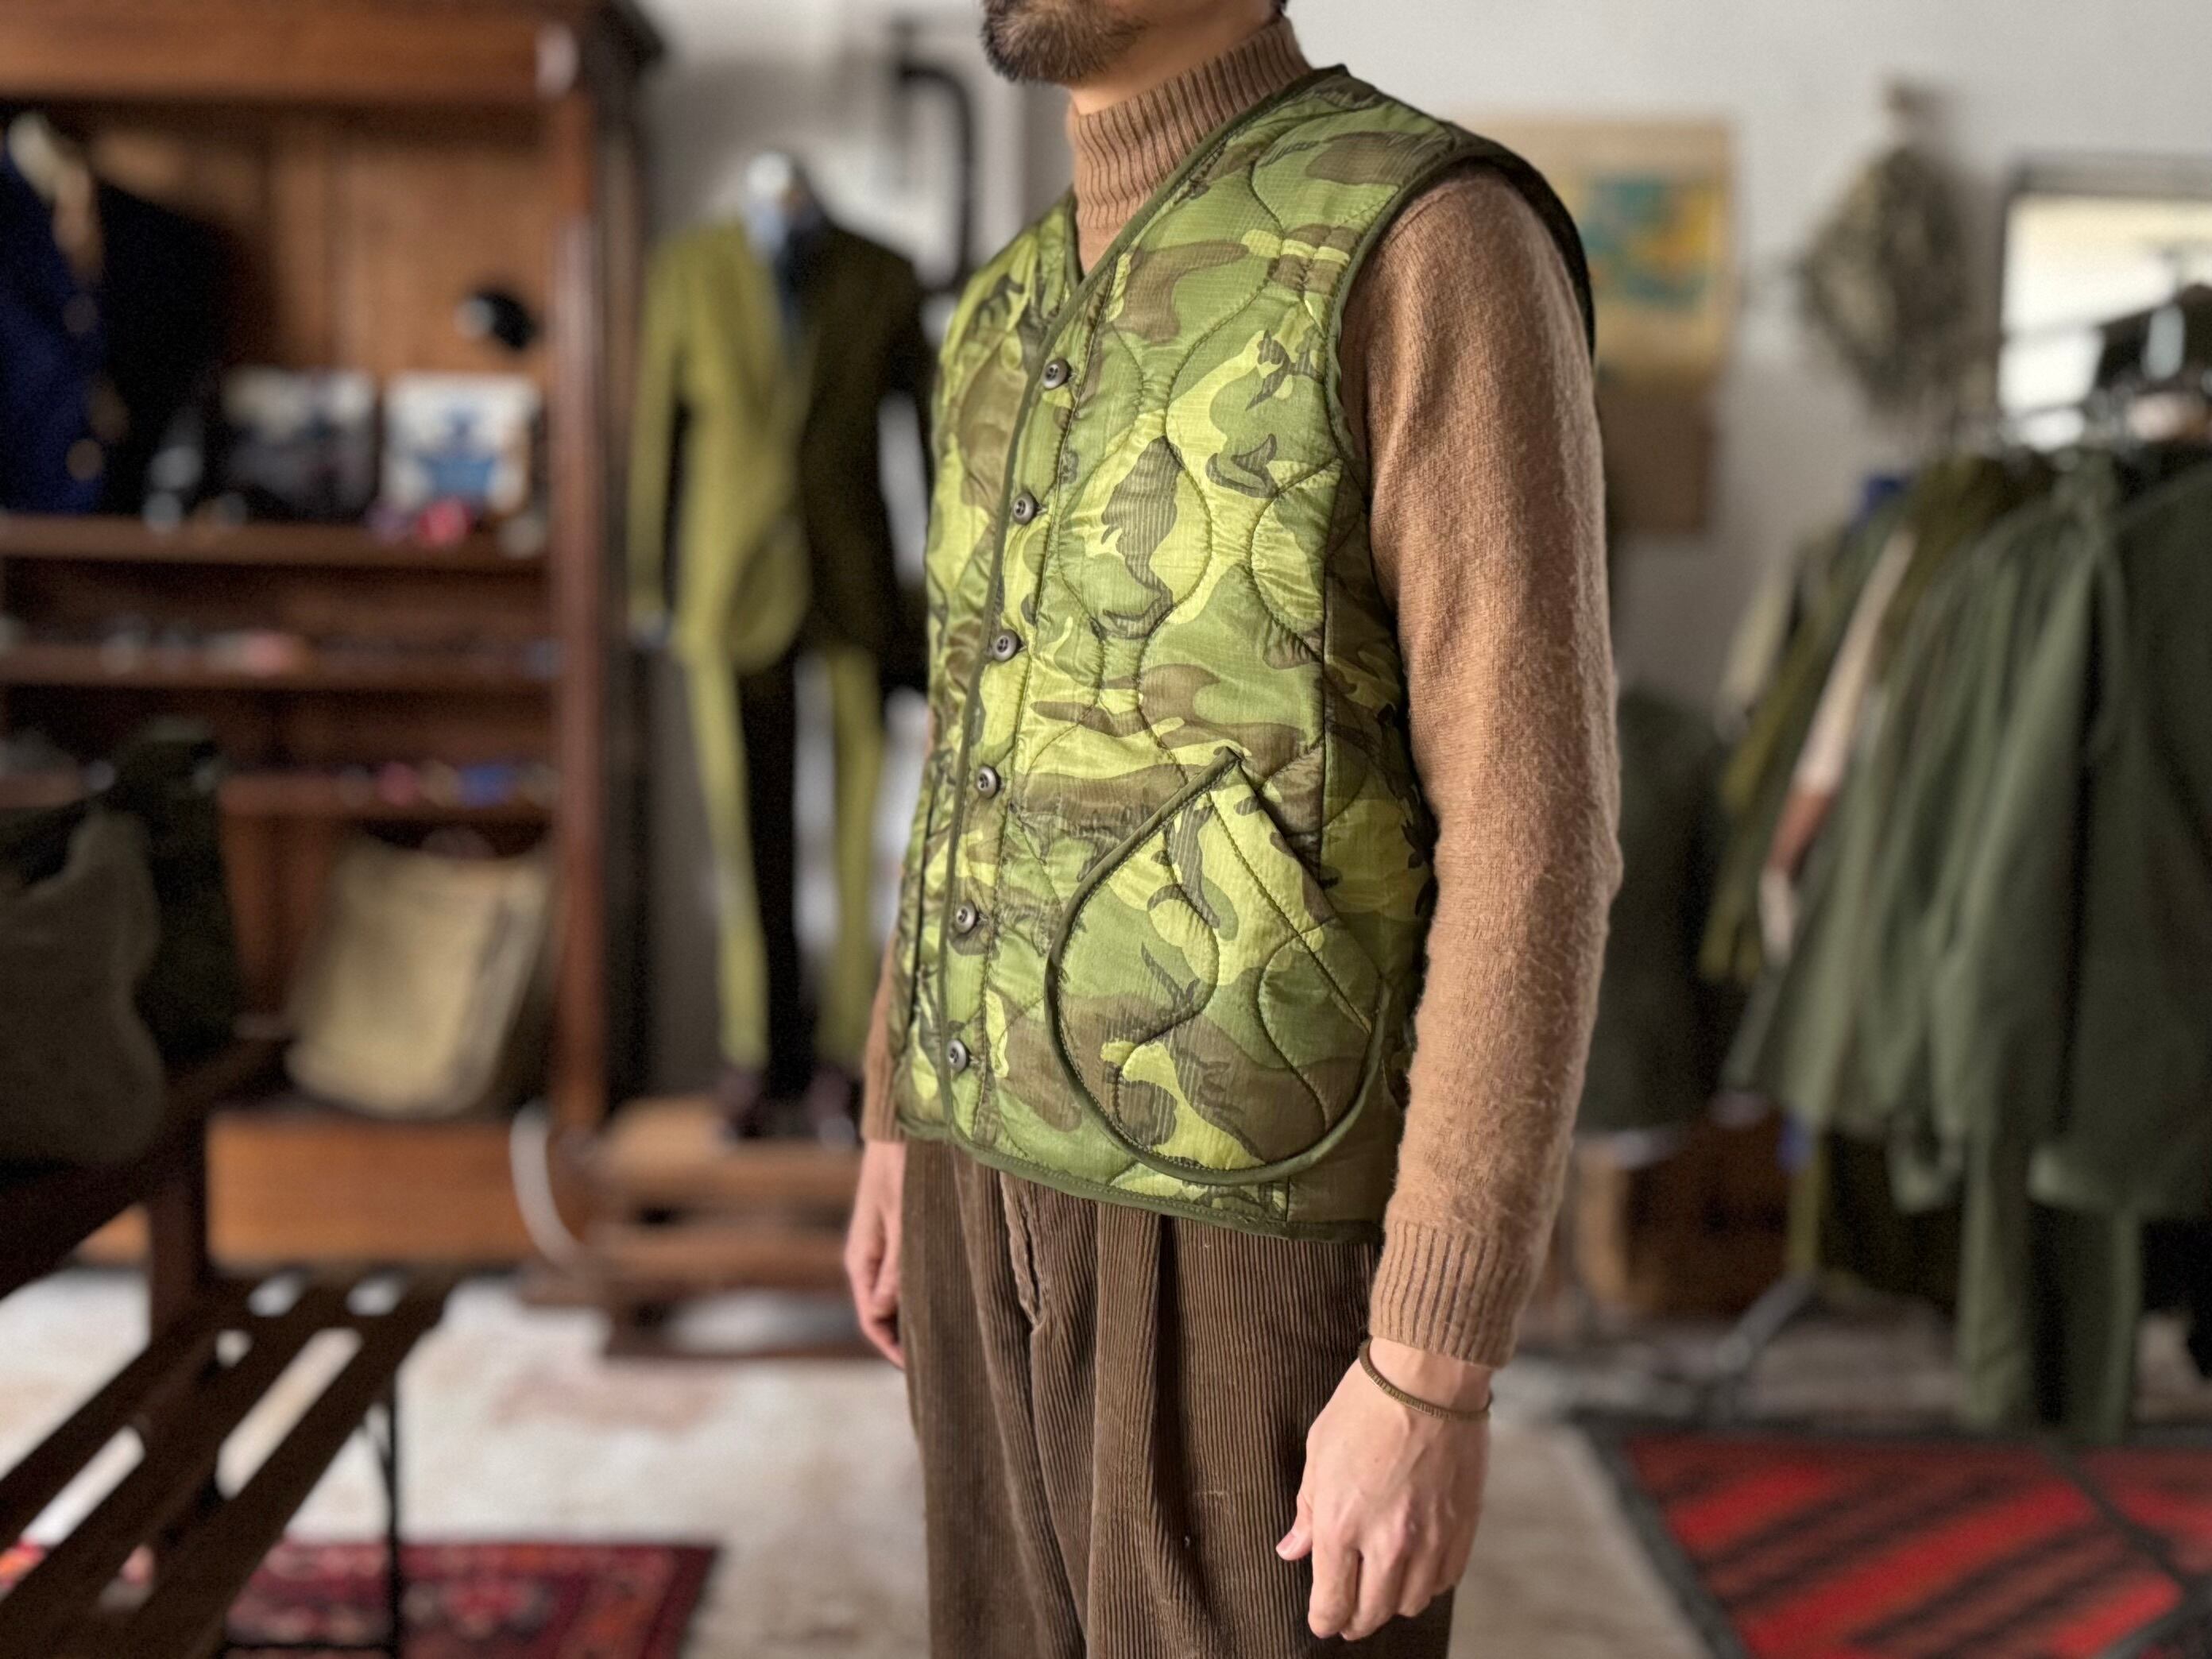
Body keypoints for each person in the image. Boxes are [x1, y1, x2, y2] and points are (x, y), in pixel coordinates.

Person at [843, 1, 1620, 1652]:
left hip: (1250, 1217)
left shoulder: (1429, 238)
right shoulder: (1000, 306)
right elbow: (974, 729)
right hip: (972, 1162)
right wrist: (892, 1113)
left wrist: (1432, 1362)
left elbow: (1535, 830)